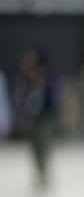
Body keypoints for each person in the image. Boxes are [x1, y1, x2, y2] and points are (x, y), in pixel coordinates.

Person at [16, 49, 60, 189]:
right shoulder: (25, 79)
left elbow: (53, 98)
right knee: (34, 147)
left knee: (43, 145)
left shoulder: (48, 78)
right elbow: (21, 98)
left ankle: (43, 175)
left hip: (44, 118)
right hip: (31, 118)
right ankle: (39, 174)